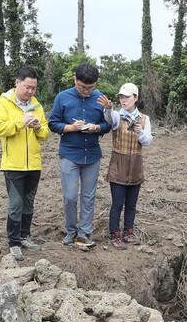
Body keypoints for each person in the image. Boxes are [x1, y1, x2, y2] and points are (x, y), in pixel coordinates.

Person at [48, 62, 111, 247]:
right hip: (69, 154)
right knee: (70, 196)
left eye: (91, 88)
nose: (86, 92)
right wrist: (70, 127)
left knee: (88, 197)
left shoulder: (100, 99)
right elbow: (53, 123)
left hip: (92, 154)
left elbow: (108, 125)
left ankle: (84, 234)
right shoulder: (63, 97)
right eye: (83, 87)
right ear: (75, 80)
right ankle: (71, 231)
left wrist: (96, 127)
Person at [0, 66, 50, 261]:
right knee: (15, 204)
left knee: (29, 203)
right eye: (27, 87)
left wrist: (37, 127)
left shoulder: (37, 106)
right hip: (13, 165)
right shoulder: (3, 103)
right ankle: (14, 243)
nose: (31, 92)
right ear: (17, 83)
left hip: (34, 164)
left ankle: (25, 236)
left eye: (34, 88)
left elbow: (45, 134)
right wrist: (21, 121)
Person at [98, 82, 153, 249]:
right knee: (117, 203)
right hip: (118, 166)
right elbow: (109, 119)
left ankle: (128, 231)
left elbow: (147, 141)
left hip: (135, 166)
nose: (124, 100)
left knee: (131, 204)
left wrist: (139, 131)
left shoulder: (144, 119)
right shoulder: (116, 116)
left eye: (127, 97)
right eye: (121, 97)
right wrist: (107, 109)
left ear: (136, 98)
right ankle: (114, 233)